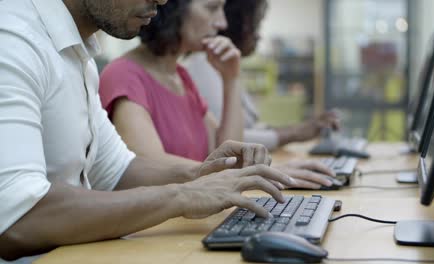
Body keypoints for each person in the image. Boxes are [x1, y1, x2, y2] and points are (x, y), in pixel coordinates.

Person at [0, 0, 296, 261]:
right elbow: (17, 218)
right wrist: (183, 195)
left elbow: (117, 171)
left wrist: (204, 175)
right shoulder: (13, 40)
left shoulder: (78, 56)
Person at [99, 0, 337, 190]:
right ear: (173, 9)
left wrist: (230, 78)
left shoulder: (181, 76)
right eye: (212, 8)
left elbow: (228, 148)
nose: (222, 23)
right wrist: (258, 172)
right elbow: (149, 165)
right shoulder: (124, 74)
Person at [183, 0, 340, 151]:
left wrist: (300, 129)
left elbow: (245, 129)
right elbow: (226, 141)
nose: (259, 36)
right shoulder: (202, 64)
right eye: (257, 25)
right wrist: (294, 133)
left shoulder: (224, 67)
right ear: (238, 23)